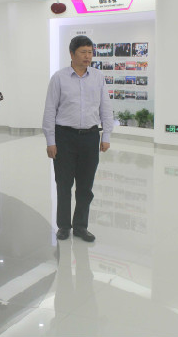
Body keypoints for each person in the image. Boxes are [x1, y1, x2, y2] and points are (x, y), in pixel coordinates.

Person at [42, 35, 113, 242]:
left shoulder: (98, 77)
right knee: (64, 184)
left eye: (90, 52)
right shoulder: (59, 78)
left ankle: (81, 226)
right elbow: (50, 110)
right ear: (72, 54)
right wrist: (50, 141)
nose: (87, 56)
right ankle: (64, 226)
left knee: (85, 186)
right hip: (64, 137)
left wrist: (106, 135)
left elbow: (105, 107)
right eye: (83, 52)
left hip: (90, 136)